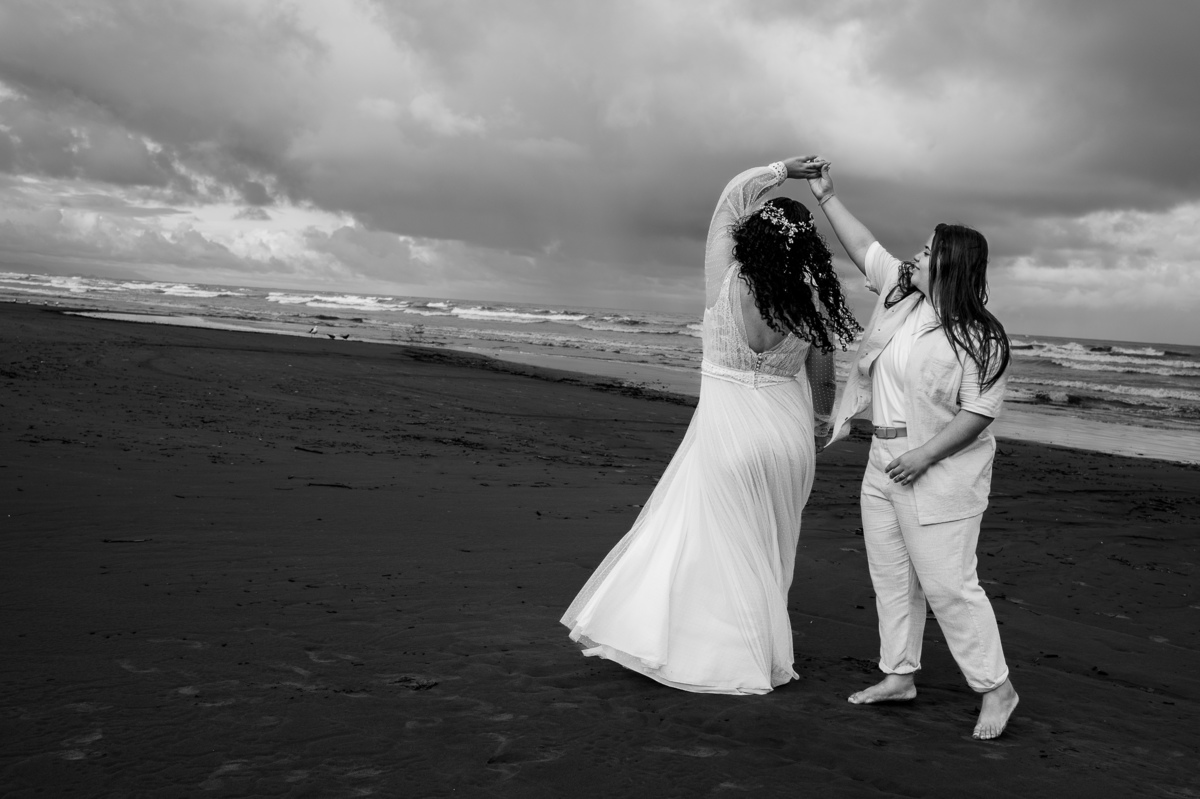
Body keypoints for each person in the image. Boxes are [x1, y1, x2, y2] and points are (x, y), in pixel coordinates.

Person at [561, 157, 861, 694]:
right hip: (788, 439)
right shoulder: (809, 299)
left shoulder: (725, 279)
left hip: (730, 434)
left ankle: (725, 654)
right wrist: (819, 422)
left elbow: (729, 200)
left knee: (716, 541)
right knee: (768, 546)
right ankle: (763, 650)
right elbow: (822, 373)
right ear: (805, 249)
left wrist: (781, 169)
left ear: (753, 239)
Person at [807, 163, 1020, 739]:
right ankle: (898, 675)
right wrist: (827, 197)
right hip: (882, 464)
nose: (916, 258)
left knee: (950, 585)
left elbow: (980, 412)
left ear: (950, 264)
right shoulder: (903, 298)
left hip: (938, 474)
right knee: (892, 578)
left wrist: (925, 456)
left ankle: (996, 689)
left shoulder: (981, 335)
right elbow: (862, 248)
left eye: (927, 252)